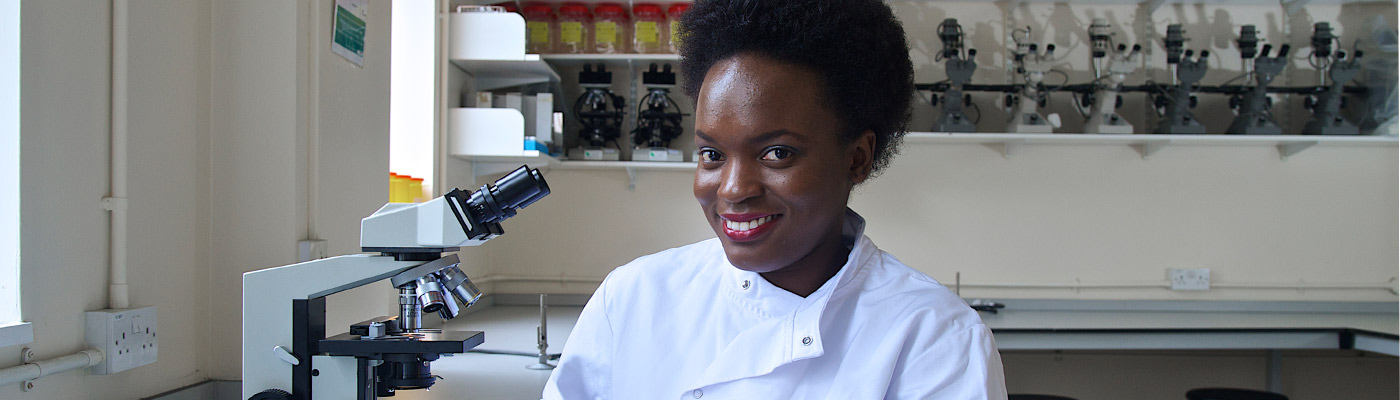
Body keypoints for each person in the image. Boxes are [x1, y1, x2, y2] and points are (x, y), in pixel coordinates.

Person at [543, 0, 1007, 398]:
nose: (732, 189)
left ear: (857, 158)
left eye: (777, 153)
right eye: (712, 154)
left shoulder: (934, 337)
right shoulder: (633, 299)